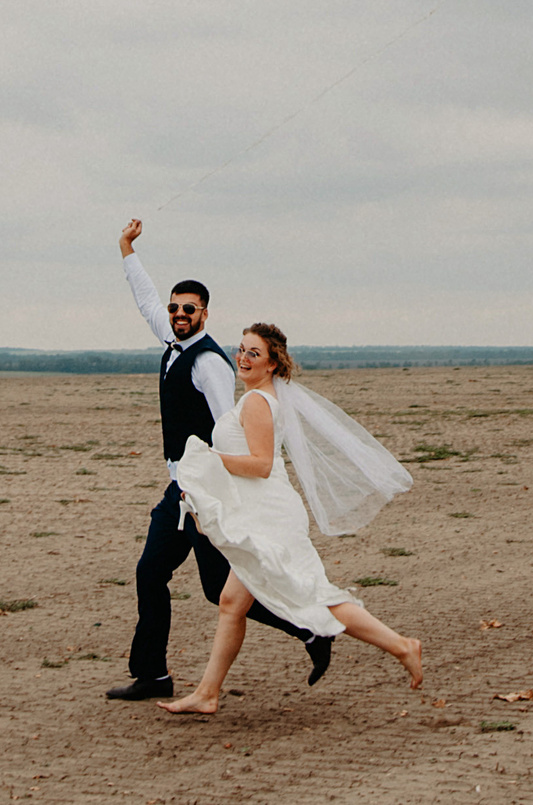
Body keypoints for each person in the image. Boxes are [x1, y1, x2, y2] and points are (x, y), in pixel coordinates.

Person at [105, 220, 332, 702]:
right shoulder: (172, 341)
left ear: (204, 314)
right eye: (173, 308)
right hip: (180, 488)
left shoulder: (209, 363)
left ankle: (311, 630)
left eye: (188, 309)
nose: (178, 314)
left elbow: (223, 427)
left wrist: (212, 497)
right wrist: (126, 249)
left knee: (220, 590)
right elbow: (145, 298)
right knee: (151, 572)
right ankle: (153, 675)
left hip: (206, 491)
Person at [158, 323, 424, 714]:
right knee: (232, 601)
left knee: (312, 595)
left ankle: (403, 646)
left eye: (254, 354)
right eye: (242, 349)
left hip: (272, 516)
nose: (243, 358)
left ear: (271, 364)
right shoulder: (256, 397)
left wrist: (209, 462)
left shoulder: (257, 403)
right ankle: (207, 693)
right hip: (262, 511)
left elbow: (261, 465)